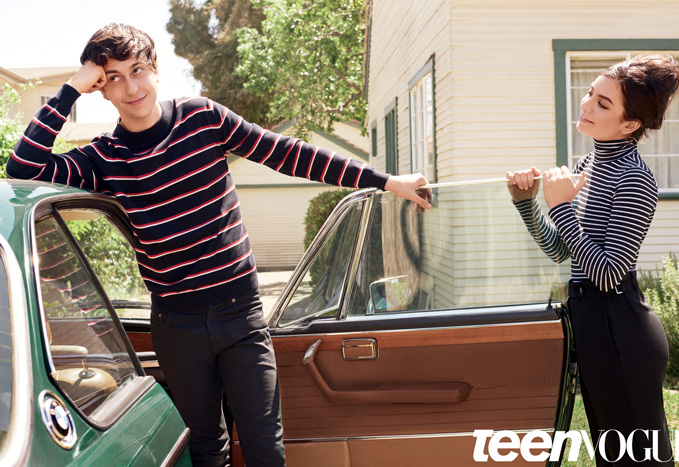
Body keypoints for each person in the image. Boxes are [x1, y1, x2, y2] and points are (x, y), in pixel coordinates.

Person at [7, 23, 431, 467]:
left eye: (138, 70)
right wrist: (72, 87)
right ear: (102, 89)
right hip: (176, 324)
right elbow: (23, 168)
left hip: (241, 314)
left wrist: (386, 181)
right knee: (207, 452)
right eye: (113, 77)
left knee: (266, 449)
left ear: (155, 70)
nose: (131, 87)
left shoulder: (202, 117)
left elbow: (290, 154)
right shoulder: (103, 158)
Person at [507, 54, 679, 466]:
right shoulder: (588, 165)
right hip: (592, 323)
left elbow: (606, 273)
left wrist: (562, 207)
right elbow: (563, 251)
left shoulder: (635, 178)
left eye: (603, 103)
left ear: (629, 124)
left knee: (639, 460)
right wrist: (527, 205)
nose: (586, 105)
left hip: (620, 325)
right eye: (590, 93)